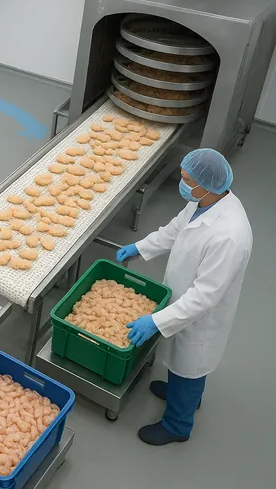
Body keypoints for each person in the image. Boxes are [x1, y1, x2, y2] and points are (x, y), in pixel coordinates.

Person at [116, 148, 252, 446]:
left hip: (201, 317)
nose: (182, 183)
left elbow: (204, 297)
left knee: (190, 364)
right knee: (179, 360)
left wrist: (155, 321)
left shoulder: (230, 236)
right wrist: (141, 248)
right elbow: (174, 231)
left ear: (207, 185)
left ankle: (177, 425)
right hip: (182, 297)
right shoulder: (203, 201)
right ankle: (181, 393)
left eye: (187, 180)